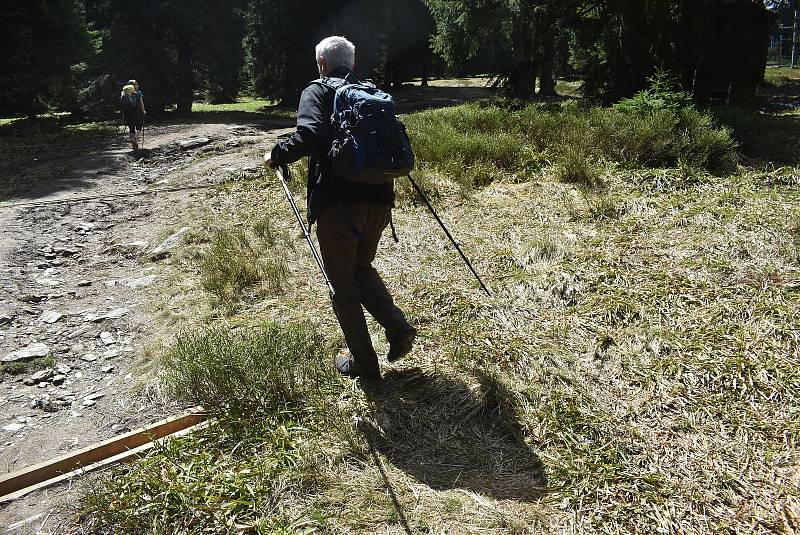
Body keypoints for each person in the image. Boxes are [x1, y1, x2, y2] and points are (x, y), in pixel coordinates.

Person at [264, 36, 416, 381]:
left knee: (341, 285)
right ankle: (397, 327)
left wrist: (278, 154)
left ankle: (364, 364)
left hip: (338, 206)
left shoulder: (317, 91)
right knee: (361, 267)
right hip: (380, 200)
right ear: (353, 63)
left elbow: (311, 136)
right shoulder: (371, 92)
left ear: (321, 63)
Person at [120, 79, 146, 150]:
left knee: (131, 129)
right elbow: (141, 103)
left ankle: (133, 144)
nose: (137, 85)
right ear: (133, 85)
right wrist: (143, 111)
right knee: (139, 127)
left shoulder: (123, 93)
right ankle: (135, 138)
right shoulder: (138, 93)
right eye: (136, 84)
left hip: (127, 113)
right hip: (137, 112)